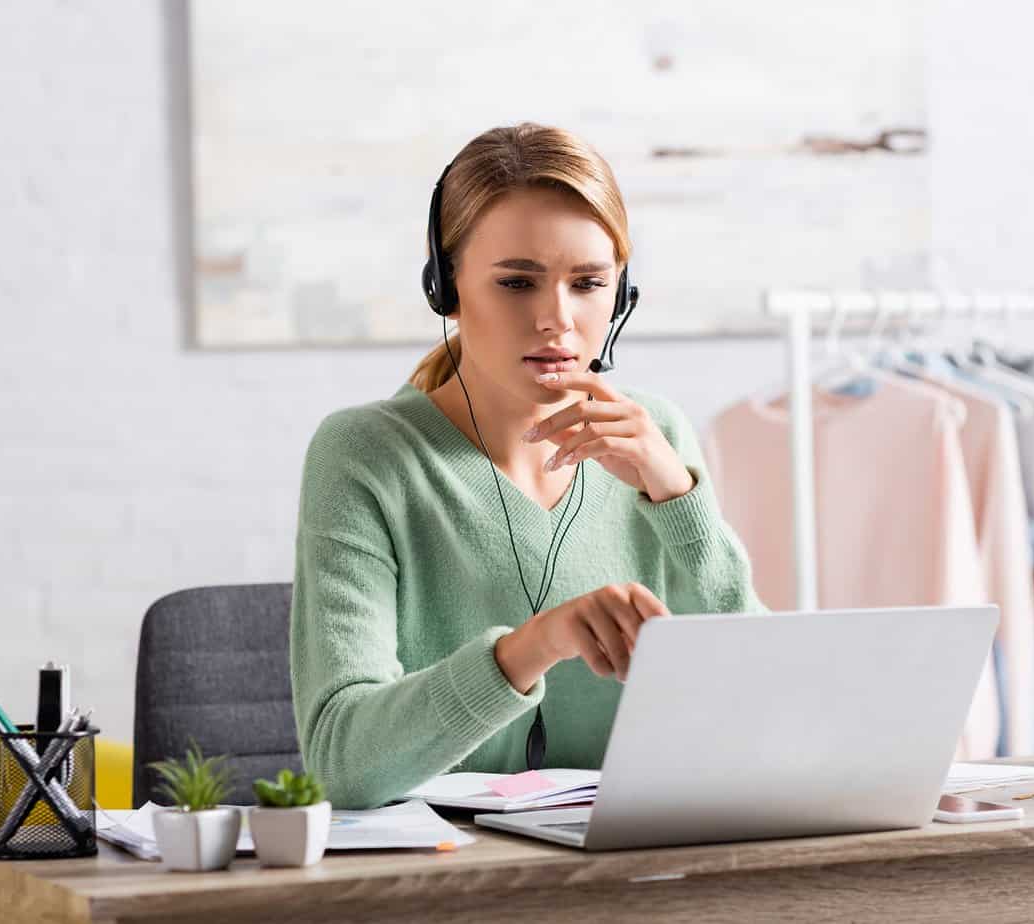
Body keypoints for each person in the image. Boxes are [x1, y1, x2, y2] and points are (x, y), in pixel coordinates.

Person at [290, 122, 764, 809]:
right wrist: (531, 647)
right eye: (516, 282)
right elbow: (343, 764)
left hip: (633, 862)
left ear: (621, 295)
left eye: (588, 283)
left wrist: (675, 496)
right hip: (446, 877)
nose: (557, 320)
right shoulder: (367, 454)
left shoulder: (655, 433)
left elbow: (762, 697)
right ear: (445, 288)